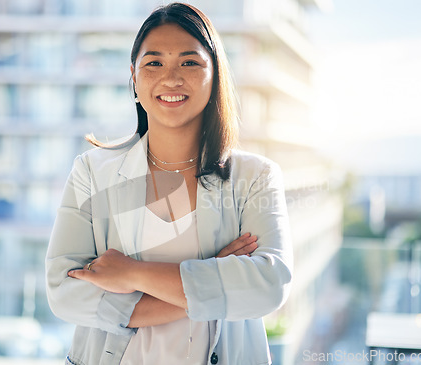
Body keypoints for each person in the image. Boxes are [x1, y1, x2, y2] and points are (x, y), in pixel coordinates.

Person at [45, 3, 293, 365]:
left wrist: (132, 274)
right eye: (154, 63)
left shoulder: (256, 177)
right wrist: (215, 276)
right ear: (134, 77)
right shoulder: (91, 172)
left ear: (215, 75)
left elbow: (269, 287)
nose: (172, 78)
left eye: (190, 62)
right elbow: (63, 290)